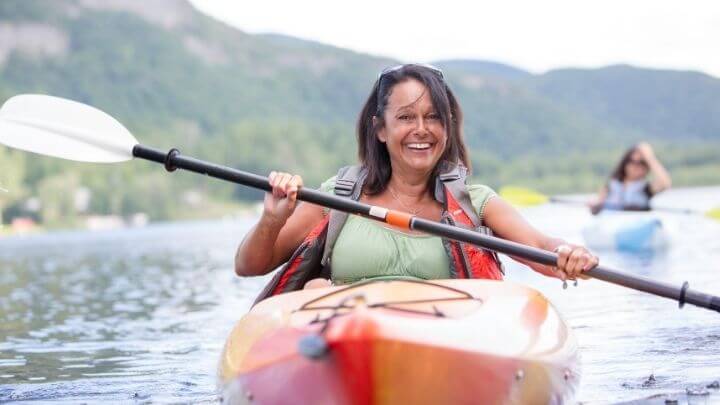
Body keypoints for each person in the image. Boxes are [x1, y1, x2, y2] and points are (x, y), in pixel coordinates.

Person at [235, 64, 598, 302]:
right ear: (380, 128)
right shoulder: (339, 196)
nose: (421, 129)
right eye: (406, 117)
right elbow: (249, 265)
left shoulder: (474, 201)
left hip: (443, 347)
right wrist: (272, 219)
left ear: (447, 127)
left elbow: (541, 248)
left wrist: (569, 254)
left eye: (433, 118)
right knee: (315, 289)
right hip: (351, 338)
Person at [590, 143, 672, 214]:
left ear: (647, 166)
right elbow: (596, 206)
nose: (636, 166)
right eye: (632, 161)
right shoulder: (611, 185)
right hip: (610, 224)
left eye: (642, 162)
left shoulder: (646, 189)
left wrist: (649, 157)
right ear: (625, 163)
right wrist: (594, 205)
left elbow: (665, 183)